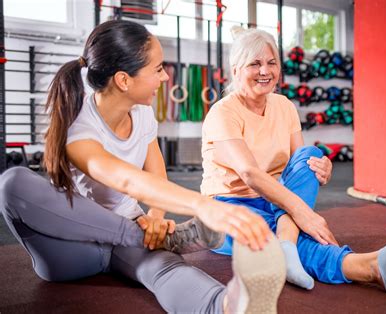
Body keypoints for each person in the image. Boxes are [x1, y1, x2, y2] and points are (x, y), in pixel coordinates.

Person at [0, 20, 287, 313]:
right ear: (124, 80)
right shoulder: (80, 124)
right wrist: (204, 206)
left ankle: (224, 305)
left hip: (132, 233)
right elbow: (126, 180)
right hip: (74, 247)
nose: (164, 77)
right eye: (158, 68)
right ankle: (165, 240)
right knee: (12, 184)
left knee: (166, 269)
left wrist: (156, 218)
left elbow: (156, 176)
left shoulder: (144, 115)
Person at [200, 26, 386, 295]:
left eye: (272, 63)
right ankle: (374, 267)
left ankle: (287, 244)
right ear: (236, 70)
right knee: (284, 234)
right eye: (254, 64)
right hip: (226, 209)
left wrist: (321, 168)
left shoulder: (284, 106)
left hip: (274, 201)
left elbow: (299, 162)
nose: (265, 71)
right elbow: (249, 173)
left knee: (312, 155)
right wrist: (302, 213)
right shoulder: (223, 112)